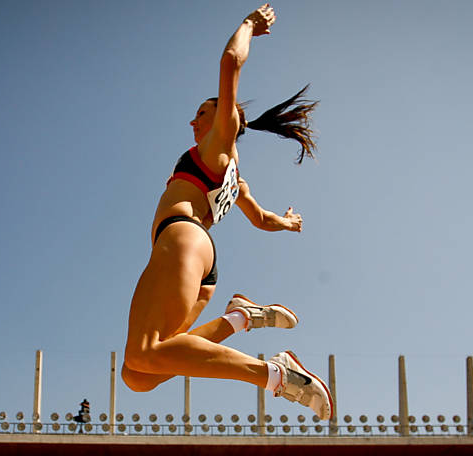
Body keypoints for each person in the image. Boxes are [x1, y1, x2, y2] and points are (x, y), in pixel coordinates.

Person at [122, 4, 332, 420]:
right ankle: (240, 318)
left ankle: (276, 375)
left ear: (226, 117)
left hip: (182, 238)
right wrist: (288, 223)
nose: (193, 121)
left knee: (144, 352)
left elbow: (230, 61)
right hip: (203, 268)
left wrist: (250, 25)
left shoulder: (219, 146)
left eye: (202, 112)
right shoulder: (234, 177)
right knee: (139, 374)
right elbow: (260, 219)